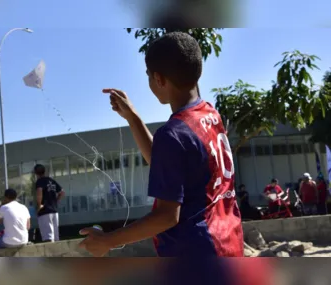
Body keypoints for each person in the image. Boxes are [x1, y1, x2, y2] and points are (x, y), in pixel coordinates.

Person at [78, 32, 244, 258]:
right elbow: (164, 163)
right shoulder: (211, 114)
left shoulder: (173, 134)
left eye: (148, 76)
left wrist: (108, 240)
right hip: (229, 243)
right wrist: (133, 118)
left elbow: (167, 216)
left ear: (159, 79)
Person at [34, 164, 65, 242]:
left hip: (45, 211)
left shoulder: (39, 181)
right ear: (44, 171)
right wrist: (56, 201)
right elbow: (62, 192)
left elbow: (39, 193)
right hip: (54, 211)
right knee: (56, 235)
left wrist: (39, 206)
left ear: (36, 173)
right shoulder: (51, 180)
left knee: (48, 236)